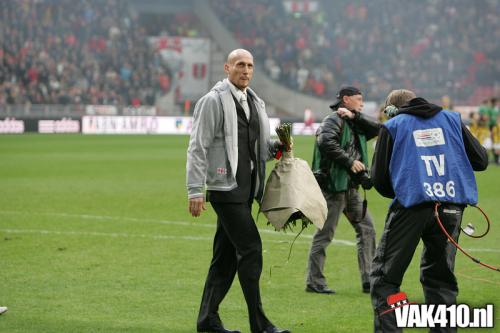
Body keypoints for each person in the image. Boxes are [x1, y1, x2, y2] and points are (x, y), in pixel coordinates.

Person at [186, 49, 290, 333]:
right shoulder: (212, 101)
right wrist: (195, 190)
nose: (246, 70)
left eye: (250, 66)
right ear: (227, 67)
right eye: (240, 65)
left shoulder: (255, 103)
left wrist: (277, 148)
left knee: (225, 257)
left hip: (247, 190)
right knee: (251, 248)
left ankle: (207, 320)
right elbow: (198, 148)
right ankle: (260, 323)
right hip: (224, 189)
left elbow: (256, 148)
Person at [370, 89, 489, 332]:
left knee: (385, 279)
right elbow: (481, 160)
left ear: (392, 109)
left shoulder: (393, 125)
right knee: (440, 280)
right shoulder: (452, 119)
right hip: (451, 209)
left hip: (411, 208)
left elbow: (379, 180)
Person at [307, 86, 380, 295]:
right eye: (358, 100)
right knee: (325, 234)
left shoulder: (351, 121)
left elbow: (377, 129)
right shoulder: (332, 120)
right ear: (346, 99)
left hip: (350, 187)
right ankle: (315, 281)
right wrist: (350, 162)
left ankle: (369, 279)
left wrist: (355, 116)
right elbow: (325, 142)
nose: (362, 103)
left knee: (367, 230)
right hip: (333, 186)